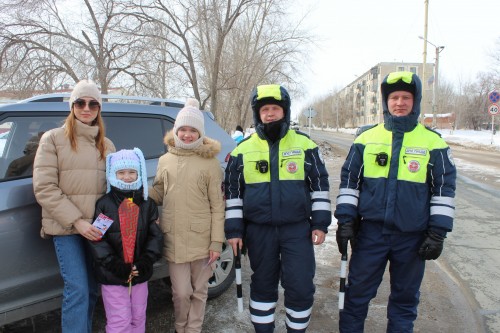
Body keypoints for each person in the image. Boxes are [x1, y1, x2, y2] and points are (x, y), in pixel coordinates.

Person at [334, 71, 456, 333]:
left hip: (412, 238)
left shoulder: (433, 142)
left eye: (406, 97)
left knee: (404, 302)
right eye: (394, 97)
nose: (400, 102)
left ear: (416, 101)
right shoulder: (365, 139)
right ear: (385, 102)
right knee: (355, 298)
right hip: (371, 235)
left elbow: (444, 190)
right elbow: (349, 183)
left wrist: (438, 233)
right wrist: (346, 221)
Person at [224, 84, 331, 333]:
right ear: (257, 114)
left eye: (275, 108)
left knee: (301, 285)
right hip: (259, 231)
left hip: (297, 230)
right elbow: (232, 194)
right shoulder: (242, 150)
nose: (270, 114)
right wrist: (234, 230)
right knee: (262, 284)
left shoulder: (305, 145)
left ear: (285, 112)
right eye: (265, 110)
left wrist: (320, 222)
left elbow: (320, 185)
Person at [33, 79, 116, 333]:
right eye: (80, 102)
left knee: (92, 289)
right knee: (78, 289)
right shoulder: (53, 140)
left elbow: (114, 192)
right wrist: (78, 221)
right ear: (72, 106)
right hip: (68, 228)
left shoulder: (107, 145)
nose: (86, 108)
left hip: (96, 231)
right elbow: (44, 187)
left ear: (99, 108)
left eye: (93, 103)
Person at [149, 98, 225, 333]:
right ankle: (180, 326)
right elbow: (159, 193)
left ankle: (193, 329)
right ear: (176, 130)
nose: (187, 134)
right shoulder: (164, 160)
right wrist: (136, 196)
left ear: (200, 133)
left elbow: (217, 206)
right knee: (181, 293)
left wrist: (216, 241)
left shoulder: (210, 164)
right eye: (183, 129)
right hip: (174, 239)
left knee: (199, 291)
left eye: (193, 130)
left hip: (202, 240)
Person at [89, 148, 163, 333]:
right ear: (112, 174)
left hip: (139, 274)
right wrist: (113, 264)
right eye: (121, 173)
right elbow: (98, 238)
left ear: (140, 173)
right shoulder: (105, 204)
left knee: (138, 316)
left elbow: (155, 235)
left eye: (132, 172)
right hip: (113, 275)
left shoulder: (147, 204)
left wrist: (146, 260)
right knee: (119, 319)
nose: (127, 177)